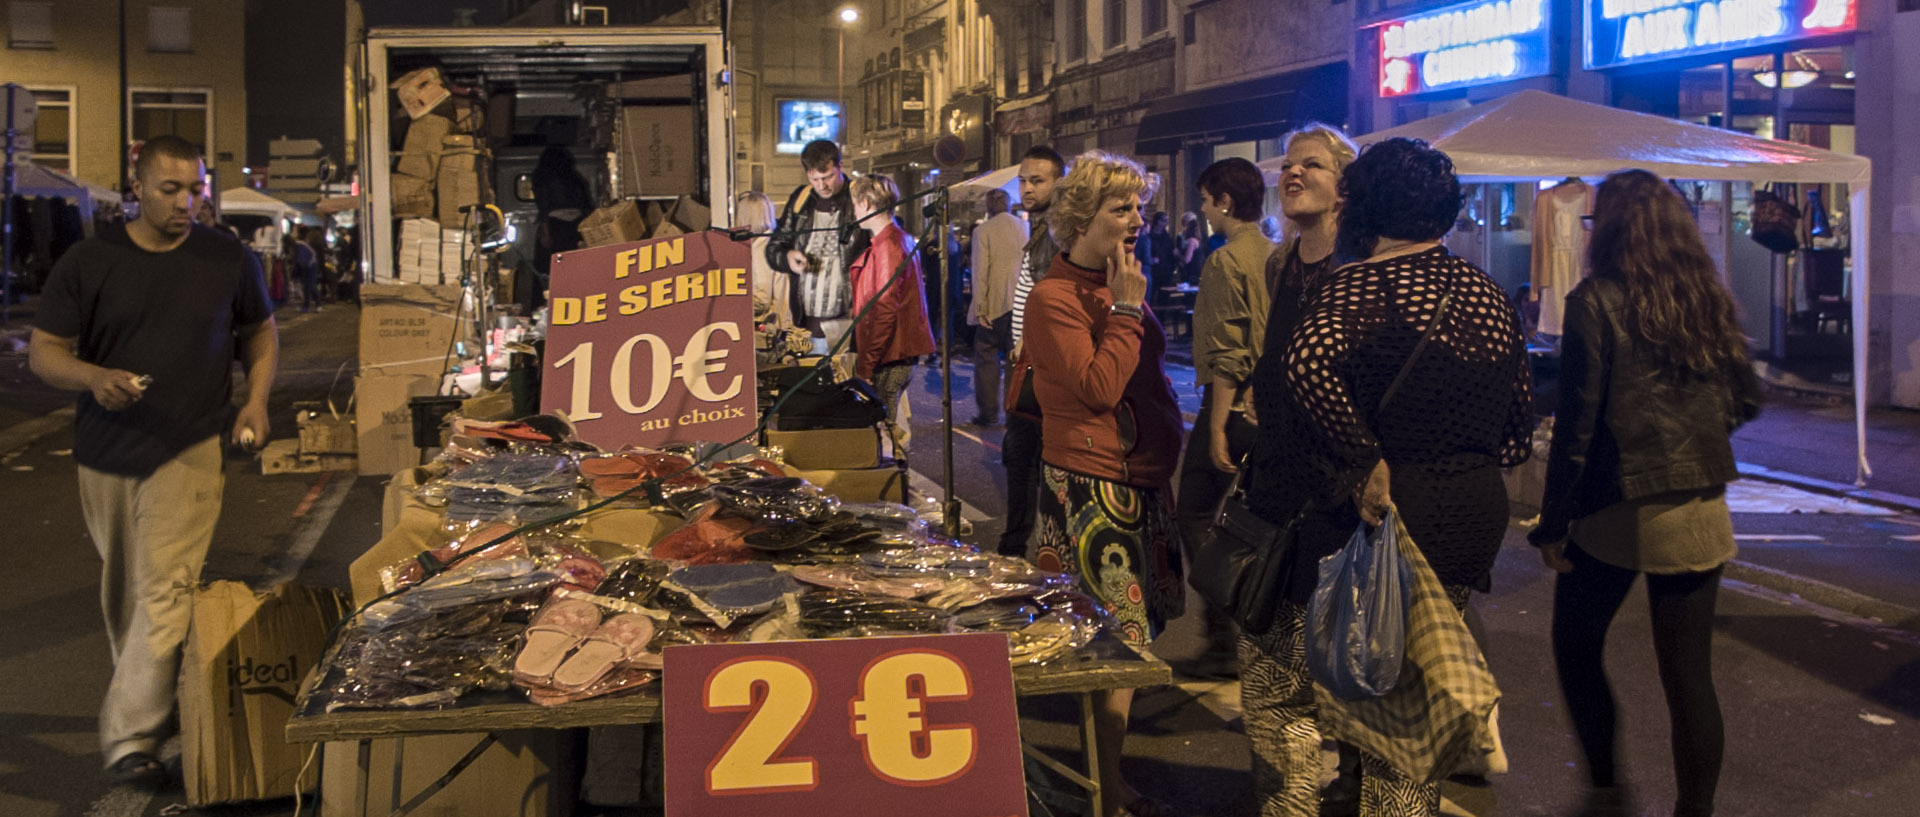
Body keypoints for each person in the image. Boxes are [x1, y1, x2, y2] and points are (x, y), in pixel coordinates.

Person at [1240, 137, 1532, 815]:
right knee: (1405, 727)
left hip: (1361, 525)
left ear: (1362, 205)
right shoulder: (1486, 296)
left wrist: (1363, 455)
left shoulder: (1355, 290)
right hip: (1462, 518)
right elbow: (1517, 425)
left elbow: (1301, 371)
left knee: (1280, 687)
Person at [27, 134, 277, 790]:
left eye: (194, 188)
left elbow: (260, 330)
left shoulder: (227, 258)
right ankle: (154, 713)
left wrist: (255, 400)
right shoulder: (89, 259)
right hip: (105, 450)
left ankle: (130, 737)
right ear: (137, 188)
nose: (186, 202)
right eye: (170, 189)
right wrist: (91, 377)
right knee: (125, 595)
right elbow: (44, 350)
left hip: (189, 444)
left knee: (164, 589)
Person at [1531, 169, 1762, 817]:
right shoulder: (1705, 297)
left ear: (1613, 227)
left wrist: (1553, 524)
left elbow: (1578, 426)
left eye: (1593, 217)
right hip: (1701, 508)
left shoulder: (1596, 299)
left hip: (1619, 507)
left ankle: (1607, 788)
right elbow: (1745, 399)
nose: (1587, 226)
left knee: (1576, 644)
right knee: (1688, 677)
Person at [1026, 150, 1184, 817]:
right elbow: (1096, 385)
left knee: (1130, 634)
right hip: (1095, 483)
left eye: (1139, 206)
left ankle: (1102, 775)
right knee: (1118, 644)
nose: (1135, 219)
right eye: (1121, 207)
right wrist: (1125, 309)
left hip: (1137, 479)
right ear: (1081, 218)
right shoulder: (1055, 296)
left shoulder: (1119, 282)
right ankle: (1106, 785)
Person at [1241, 121, 1362, 816]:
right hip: (1279, 491)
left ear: (1344, 184)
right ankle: (1288, 798)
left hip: (1342, 499)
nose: (1292, 175)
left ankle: (1347, 788)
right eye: (1288, 166)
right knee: (1273, 665)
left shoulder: (1363, 268)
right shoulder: (1280, 265)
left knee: (1348, 674)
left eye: (1310, 165)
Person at [1171, 156, 1276, 682]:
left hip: (1232, 407)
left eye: (1207, 200)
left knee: (1192, 512)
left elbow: (1226, 353)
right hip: (1268, 409)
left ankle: (1222, 629)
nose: (1204, 210)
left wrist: (1213, 425)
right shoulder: (1277, 254)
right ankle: (1249, 631)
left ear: (1225, 202)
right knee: (1249, 519)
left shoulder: (1224, 260)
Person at [1000, 145, 1068, 559]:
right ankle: (1025, 547)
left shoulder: (1056, 232)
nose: (1026, 187)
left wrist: (1031, 338)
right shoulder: (1040, 226)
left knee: (1027, 458)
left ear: (1059, 183)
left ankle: (1021, 550)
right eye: (1023, 179)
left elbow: (1051, 296)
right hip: (1027, 363)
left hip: (1039, 367)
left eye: (1037, 180)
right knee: (1023, 458)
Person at [847, 174, 936, 457]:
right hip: (896, 353)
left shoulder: (888, 244)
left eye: (855, 204)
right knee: (889, 429)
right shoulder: (897, 239)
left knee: (886, 434)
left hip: (891, 355)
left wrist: (867, 364)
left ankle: (896, 491)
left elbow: (884, 308)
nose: (854, 211)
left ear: (865, 203)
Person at [765, 139, 870, 352]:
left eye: (828, 177)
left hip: (849, 325)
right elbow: (773, 248)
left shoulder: (860, 198)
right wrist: (787, 258)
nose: (822, 185)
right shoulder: (800, 200)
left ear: (840, 167)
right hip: (807, 327)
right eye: (815, 179)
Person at [969, 188, 1028, 426]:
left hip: (994, 303)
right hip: (1021, 301)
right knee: (1016, 357)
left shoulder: (982, 231)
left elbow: (980, 271)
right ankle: (1014, 410)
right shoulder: (1024, 227)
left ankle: (989, 412)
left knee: (986, 356)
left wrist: (981, 306)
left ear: (988, 207)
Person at [530, 145, 593, 313]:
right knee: (572, 267)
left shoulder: (542, 176)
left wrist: (544, 227)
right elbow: (587, 203)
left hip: (554, 224)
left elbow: (543, 204)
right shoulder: (575, 177)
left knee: (549, 267)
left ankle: (546, 306)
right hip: (575, 226)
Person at [735, 190, 793, 333]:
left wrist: (730, 305)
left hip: (768, 328)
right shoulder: (773, 243)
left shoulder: (761, 248)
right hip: (779, 326)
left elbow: (762, 298)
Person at [292, 226, 322, 312]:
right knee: (310, 286)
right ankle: (315, 305)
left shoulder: (299, 244)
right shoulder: (306, 243)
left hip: (308, 266)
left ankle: (311, 305)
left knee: (308, 286)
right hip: (311, 265)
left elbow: (299, 257)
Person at [1175, 211, 1205, 286]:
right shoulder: (1196, 239)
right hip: (1192, 271)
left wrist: (1177, 254)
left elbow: (1187, 260)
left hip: (1191, 272)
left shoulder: (1192, 241)